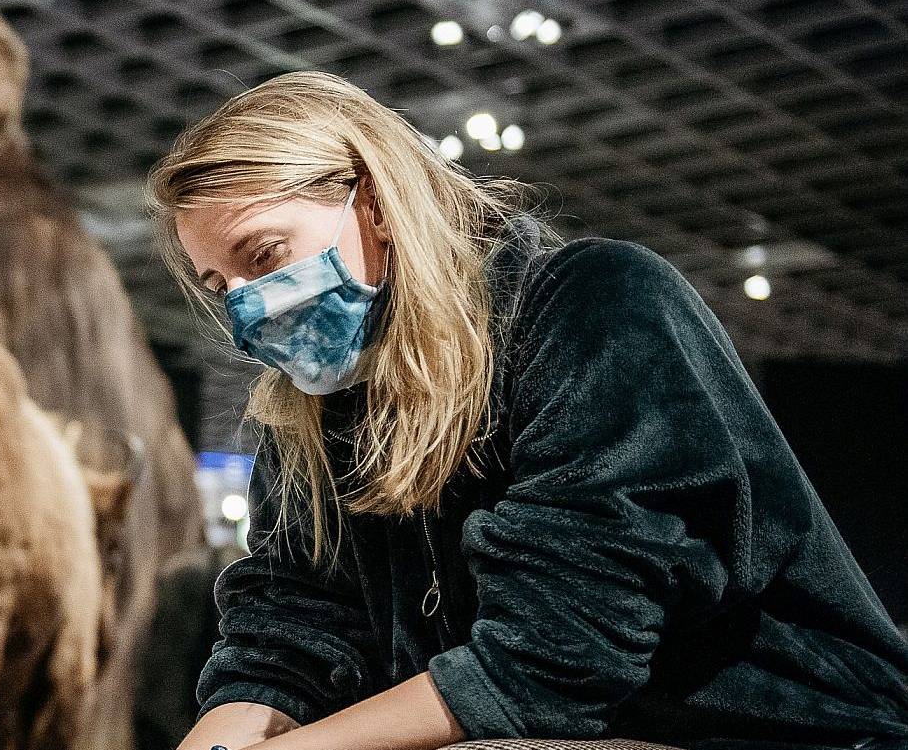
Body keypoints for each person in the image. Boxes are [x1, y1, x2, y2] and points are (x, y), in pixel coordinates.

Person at [148, 72, 908, 750]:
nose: (247, 308)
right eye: (222, 288)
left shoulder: (596, 306)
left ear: (373, 202)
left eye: (266, 255)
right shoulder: (309, 420)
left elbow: (554, 658)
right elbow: (287, 632)